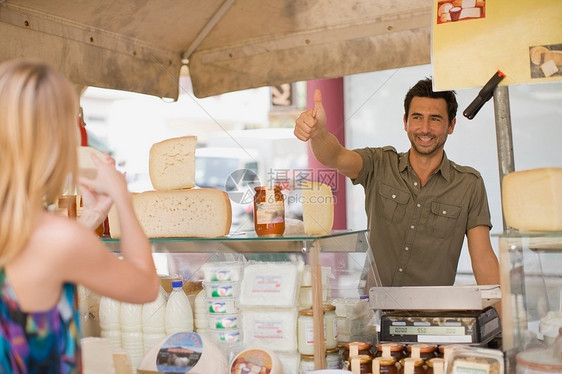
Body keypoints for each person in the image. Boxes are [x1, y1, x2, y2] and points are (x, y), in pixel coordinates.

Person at [0, 59, 159, 372]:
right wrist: (122, 199)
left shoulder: (52, 238)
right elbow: (145, 286)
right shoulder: (57, 239)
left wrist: (87, 223)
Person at [294, 78, 500, 288]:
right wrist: (319, 135)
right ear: (405, 122)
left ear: (451, 125)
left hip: (433, 314)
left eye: (435, 119)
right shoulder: (379, 163)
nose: (425, 128)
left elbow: (483, 259)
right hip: (375, 310)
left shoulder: (468, 184)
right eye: (417, 117)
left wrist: (504, 316)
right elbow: (335, 156)